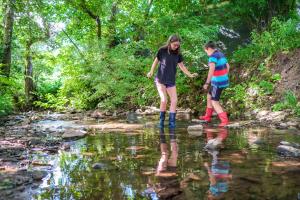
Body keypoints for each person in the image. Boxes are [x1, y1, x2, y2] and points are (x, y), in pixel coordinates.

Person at [147, 35, 198, 129]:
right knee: (164, 100)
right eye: (175, 45)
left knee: (174, 101)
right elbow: (155, 62)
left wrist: (190, 74)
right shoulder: (162, 50)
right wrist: (151, 71)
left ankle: (172, 123)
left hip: (171, 80)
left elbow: (182, 66)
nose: (176, 47)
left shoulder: (178, 54)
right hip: (160, 79)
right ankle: (161, 122)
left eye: (178, 45)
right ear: (170, 42)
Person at [199, 41, 230, 127]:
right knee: (209, 96)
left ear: (208, 49)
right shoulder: (221, 54)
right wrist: (224, 76)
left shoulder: (212, 57)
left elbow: (211, 71)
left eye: (206, 51)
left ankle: (224, 121)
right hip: (221, 80)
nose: (207, 53)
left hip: (217, 82)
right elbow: (228, 66)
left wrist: (206, 83)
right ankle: (207, 116)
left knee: (214, 101)